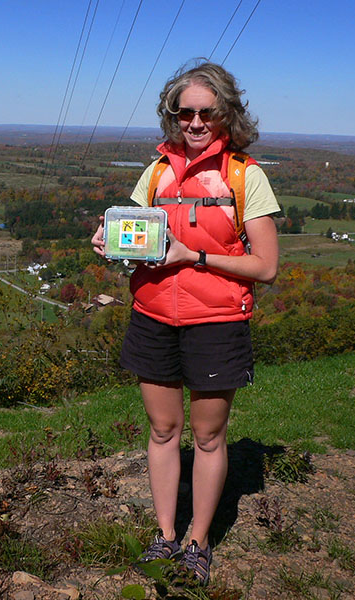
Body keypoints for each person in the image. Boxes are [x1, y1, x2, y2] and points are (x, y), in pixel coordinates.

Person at [91, 60, 279, 585]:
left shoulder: (246, 175)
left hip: (216, 321)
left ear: (225, 113)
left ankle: (198, 542)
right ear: (172, 115)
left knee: (210, 436)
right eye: (184, 112)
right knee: (162, 429)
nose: (195, 122)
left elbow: (265, 266)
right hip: (153, 315)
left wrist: (192, 257)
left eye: (206, 111)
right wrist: (109, 241)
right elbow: (133, 236)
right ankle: (166, 535)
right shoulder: (155, 173)